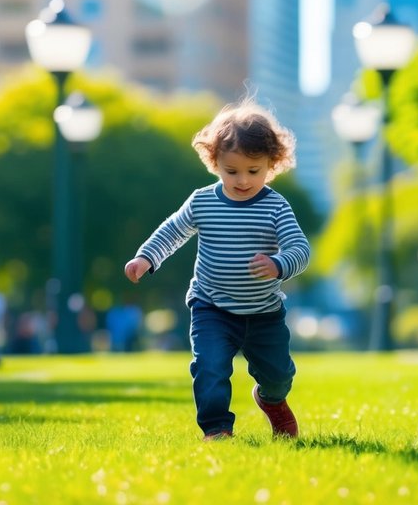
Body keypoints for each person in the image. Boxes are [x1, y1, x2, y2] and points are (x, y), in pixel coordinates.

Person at [124, 101, 311, 442]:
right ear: (215, 163)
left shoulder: (275, 207)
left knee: (278, 375)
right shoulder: (202, 202)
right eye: (231, 170)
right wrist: (146, 258)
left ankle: (272, 400)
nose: (242, 180)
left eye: (253, 171)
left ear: (272, 164)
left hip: (263, 313)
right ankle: (217, 429)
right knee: (209, 368)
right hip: (211, 306)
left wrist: (278, 265)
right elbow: (172, 231)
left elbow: (301, 249)